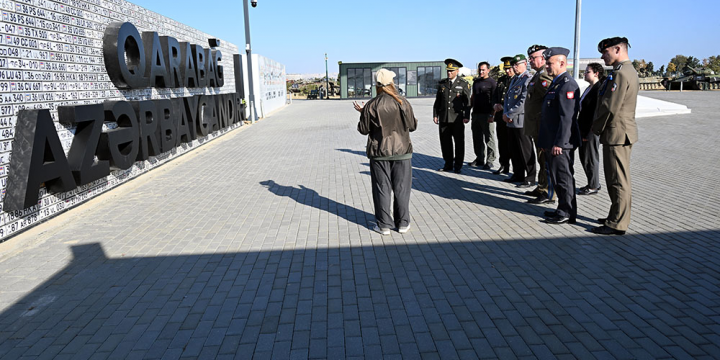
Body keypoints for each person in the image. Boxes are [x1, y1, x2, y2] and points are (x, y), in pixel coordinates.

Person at [355, 69, 418, 235]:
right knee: (402, 188)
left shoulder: (372, 104)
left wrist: (364, 114)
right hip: (402, 151)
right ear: (392, 83)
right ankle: (403, 223)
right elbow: (412, 126)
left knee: (382, 188)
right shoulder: (402, 102)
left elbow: (363, 129)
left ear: (377, 85)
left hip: (379, 152)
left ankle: (384, 225)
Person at [591, 37, 639, 236]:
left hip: (617, 133)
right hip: (619, 133)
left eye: (605, 52)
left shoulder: (621, 74)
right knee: (616, 179)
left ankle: (617, 223)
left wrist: (595, 128)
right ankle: (615, 214)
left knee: (618, 180)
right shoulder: (626, 71)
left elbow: (610, 107)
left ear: (618, 49)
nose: (602, 57)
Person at [538, 47, 582, 224]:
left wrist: (560, 143)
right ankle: (561, 208)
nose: (546, 67)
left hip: (560, 144)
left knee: (563, 178)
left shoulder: (568, 85)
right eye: (546, 63)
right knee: (557, 177)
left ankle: (567, 212)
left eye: (549, 63)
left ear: (562, 63)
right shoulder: (556, 83)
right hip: (552, 142)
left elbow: (567, 118)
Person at [523, 45, 557, 204]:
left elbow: (552, 102)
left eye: (533, 57)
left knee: (545, 160)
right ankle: (542, 186)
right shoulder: (537, 76)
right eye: (529, 58)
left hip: (542, 126)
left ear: (543, 58)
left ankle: (548, 193)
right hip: (536, 127)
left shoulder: (544, 76)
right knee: (541, 159)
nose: (530, 60)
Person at [503, 54, 535, 188]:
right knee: (514, 149)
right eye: (513, 65)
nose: (514, 68)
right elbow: (507, 98)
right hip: (511, 121)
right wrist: (505, 113)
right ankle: (518, 173)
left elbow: (523, 101)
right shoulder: (515, 79)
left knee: (525, 150)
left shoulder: (528, 79)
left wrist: (510, 113)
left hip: (521, 120)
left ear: (525, 64)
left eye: (517, 65)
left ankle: (530, 177)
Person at [434, 58, 471, 173]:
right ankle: (448, 164)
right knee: (445, 143)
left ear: (457, 71)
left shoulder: (463, 84)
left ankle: (458, 165)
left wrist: (466, 116)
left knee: (459, 143)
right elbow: (438, 101)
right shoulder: (443, 84)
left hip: (457, 118)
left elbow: (468, 102)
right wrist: (435, 114)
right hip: (444, 118)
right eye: (448, 71)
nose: (449, 73)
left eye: (451, 71)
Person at [577, 63, 605, 195]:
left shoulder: (598, 89)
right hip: (583, 128)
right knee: (584, 157)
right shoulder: (589, 88)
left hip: (590, 130)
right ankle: (591, 183)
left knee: (590, 158)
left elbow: (594, 113)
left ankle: (593, 186)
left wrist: (588, 132)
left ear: (596, 73)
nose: (584, 73)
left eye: (587, 71)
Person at [469, 62, 497, 170]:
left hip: (487, 115)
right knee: (477, 138)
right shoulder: (476, 82)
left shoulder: (492, 83)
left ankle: (490, 160)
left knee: (489, 138)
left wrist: (492, 115)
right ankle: (479, 158)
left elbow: (495, 100)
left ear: (488, 70)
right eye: (479, 70)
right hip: (476, 114)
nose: (481, 72)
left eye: (483, 70)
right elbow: (473, 97)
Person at [493, 57, 515, 175]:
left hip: (511, 116)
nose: (508, 71)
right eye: (506, 69)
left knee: (512, 143)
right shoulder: (501, 80)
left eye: (509, 68)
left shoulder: (516, 80)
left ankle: (516, 168)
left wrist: (503, 106)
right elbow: (495, 96)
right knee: (502, 142)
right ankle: (504, 164)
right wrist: (495, 105)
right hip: (500, 116)